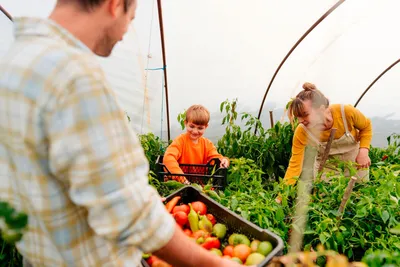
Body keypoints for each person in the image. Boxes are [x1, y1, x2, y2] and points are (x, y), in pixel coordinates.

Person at [0, 0, 243, 266]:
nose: (126, 30)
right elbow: (130, 212)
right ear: (115, 5)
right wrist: (213, 263)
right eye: (132, 16)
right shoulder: (75, 78)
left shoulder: (15, 63)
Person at [284, 82, 372, 185]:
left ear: (321, 109)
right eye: (298, 117)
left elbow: (366, 126)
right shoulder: (302, 131)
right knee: (327, 196)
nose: (300, 121)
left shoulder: (345, 112)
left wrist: (363, 152)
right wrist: (281, 196)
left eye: (305, 115)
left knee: (359, 191)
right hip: (327, 167)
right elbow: (295, 165)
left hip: (354, 160)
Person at [163, 105, 230, 184]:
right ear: (185, 123)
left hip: (197, 184)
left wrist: (224, 160)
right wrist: (181, 178)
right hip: (178, 184)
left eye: (200, 128)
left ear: (206, 127)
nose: (195, 131)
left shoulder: (207, 144)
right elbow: (168, 158)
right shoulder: (180, 141)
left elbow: (216, 158)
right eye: (192, 126)